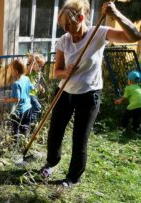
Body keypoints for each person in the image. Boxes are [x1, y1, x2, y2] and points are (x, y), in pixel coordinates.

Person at [40, 0, 141, 188]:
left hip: (89, 94)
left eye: (70, 24)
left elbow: (134, 36)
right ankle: (51, 163)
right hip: (64, 92)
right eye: (64, 26)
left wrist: (116, 14)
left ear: (80, 18)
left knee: (80, 138)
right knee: (55, 133)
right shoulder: (63, 41)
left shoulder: (99, 33)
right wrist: (65, 72)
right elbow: (57, 72)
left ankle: (72, 178)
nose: (68, 30)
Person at [3, 59, 34, 141]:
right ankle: (25, 142)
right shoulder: (26, 79)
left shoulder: (16, 84)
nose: (11, 72)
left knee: (15, 128)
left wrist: (7, 100)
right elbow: (32, 88)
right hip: (28, 108)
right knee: (25, 127)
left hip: (19, 111)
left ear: (16, 71)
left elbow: (17, 99)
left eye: (12, 70)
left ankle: (15, 145)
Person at [27, 53, 47, 122]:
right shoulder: (31, 72)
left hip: (34, 94)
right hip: (29, 94)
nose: (40, 68)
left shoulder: (38, 73)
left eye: (41, 66)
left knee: (32, 109)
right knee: (38, 107)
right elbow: (28, 72)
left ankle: (29, 124)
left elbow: (37, 83)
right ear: (33, 65)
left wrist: (41, 88)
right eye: (39, 66)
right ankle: (30, 122)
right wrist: (33, 62)